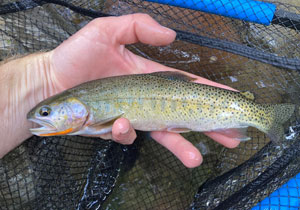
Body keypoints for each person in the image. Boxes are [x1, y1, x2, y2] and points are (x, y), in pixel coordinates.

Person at [0, 13, 240, 167]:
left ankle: (262, 116)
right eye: (45, 114)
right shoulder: (83, 101)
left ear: (73, 105)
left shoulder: (87, 106)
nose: (40, 118)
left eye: (45, 113)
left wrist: (42, 76)